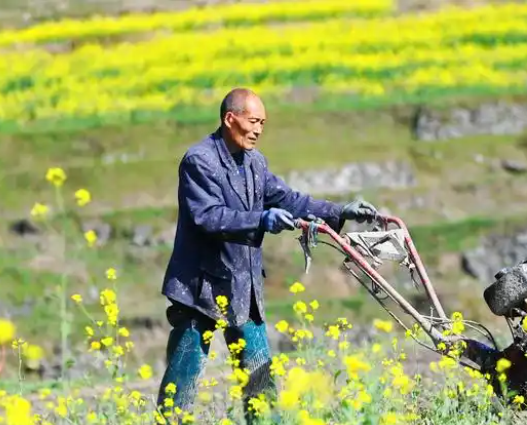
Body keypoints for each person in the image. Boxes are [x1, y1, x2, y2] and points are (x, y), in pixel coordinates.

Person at [157, 87, 378, 423]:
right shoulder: (199, 161)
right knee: (182, 379)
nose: (259, 129)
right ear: (231, 119)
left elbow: (290, 200)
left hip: (242, 287)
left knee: (260, 382)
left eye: (263, 123)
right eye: (254, 121)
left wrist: (339, 210)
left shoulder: (256, 163)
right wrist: (261, 219)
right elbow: (208, 216)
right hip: (199, 286)